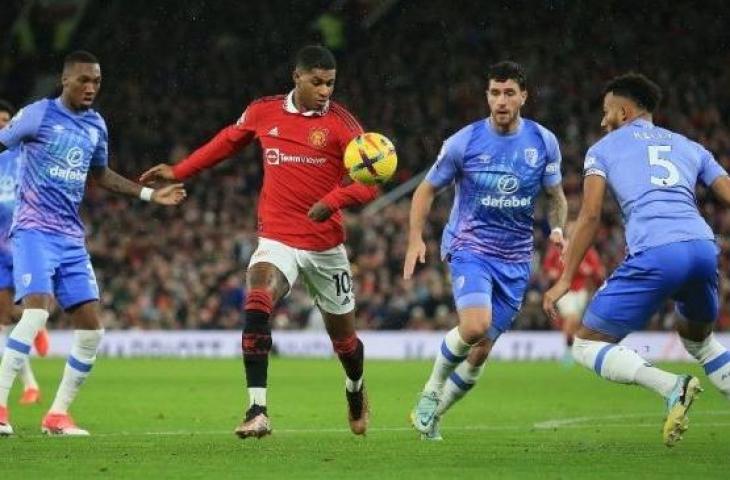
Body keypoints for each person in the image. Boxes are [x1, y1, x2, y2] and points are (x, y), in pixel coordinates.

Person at [140, 45, 378, 439]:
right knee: (257, 297)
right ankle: (257, 409)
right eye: (317, 82)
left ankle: (354, 389)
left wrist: (332, 201)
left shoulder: (342, 125)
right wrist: (180, 170)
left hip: (325, 246)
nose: (325, 91)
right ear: (297, 77)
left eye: (330, 83)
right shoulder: (264, 111)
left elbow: (369, 185)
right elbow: (225, 143)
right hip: (278, 236)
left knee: (346, 342)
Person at [0, 51, 185, 436]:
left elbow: (100, 174)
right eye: (83, 80)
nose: (90, 88)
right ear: (64, 81)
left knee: (92, 330)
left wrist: (149, 196)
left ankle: (57, 416)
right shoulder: (37, 114)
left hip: (70, 237)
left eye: (96, 82)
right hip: (33, 229)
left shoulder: (96, 125)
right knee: (35, 314)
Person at [543, 73, 730, 447]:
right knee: (700, 341)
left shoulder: (602, 150)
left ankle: (672, 386)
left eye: (606, 112)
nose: (602, 121)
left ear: (624, 112)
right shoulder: (690, 146)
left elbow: (591, 215)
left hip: (657, 252)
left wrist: (564, 279)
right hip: (702, 248)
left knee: (585, 344)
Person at [404, 61, 567, 440]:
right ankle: (430, 391)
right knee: (474, 327)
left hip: (515, 257)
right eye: (495, 92)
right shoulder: (464, 141)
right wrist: (415, 236)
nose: (501, 100)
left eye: (509, 93)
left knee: (479, 353)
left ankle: (433, 416)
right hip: (470, 245)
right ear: (487, 96)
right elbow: (426, 190)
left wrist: (558, 228)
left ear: (523, 96)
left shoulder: (543, 142)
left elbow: (556, 196)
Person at [0, 100, 50, 405]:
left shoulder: (24, 155)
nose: (3, 124)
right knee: (5, 317)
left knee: (33, 303)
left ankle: (38, 326)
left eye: (6, 119)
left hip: (22, 241)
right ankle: (30, 384)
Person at [543, 221, 604, 364]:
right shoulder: (558, 248)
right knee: (572, 317)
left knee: (574, 320)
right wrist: (551, 272)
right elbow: (547, 267)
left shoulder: (587, 249)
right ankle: (569, 351)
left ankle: (571, 349)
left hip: (580, 290)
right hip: (563, 291)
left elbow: (597, 269)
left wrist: (586, 269)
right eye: (571, 230)